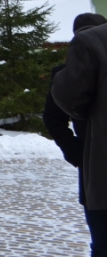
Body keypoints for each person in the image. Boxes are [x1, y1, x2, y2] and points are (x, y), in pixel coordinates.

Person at [52, 13, 107, 256]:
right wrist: (77, 153)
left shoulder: (69, 72)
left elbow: (56, 115)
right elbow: (53, 118)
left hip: (97, 168)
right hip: (93, 165)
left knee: (102, 242)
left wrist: (78, 154)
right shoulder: (67, 73)